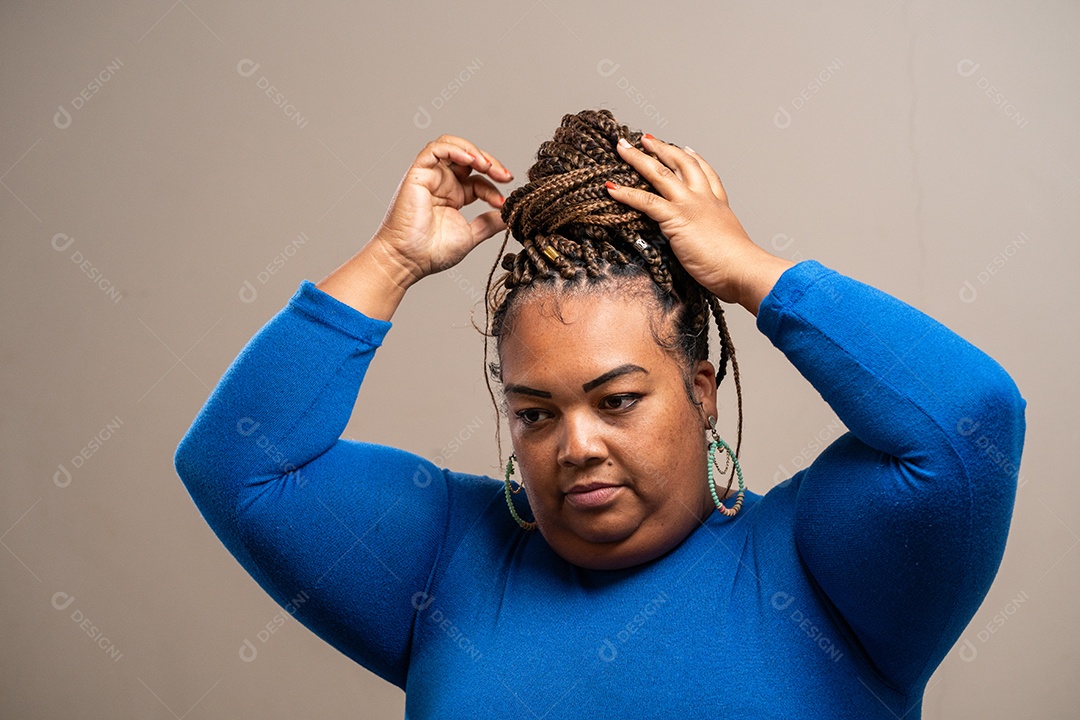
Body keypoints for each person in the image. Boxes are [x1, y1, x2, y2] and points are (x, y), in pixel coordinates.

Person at [175, 109, 1026, 718]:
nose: (576, 445)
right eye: (536, 414)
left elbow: (968, 420)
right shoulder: (446, 562)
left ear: (701, 389)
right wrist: (392, 259)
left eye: (617, 400)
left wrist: (749, 271)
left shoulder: (820, 571)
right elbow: (238, 463)